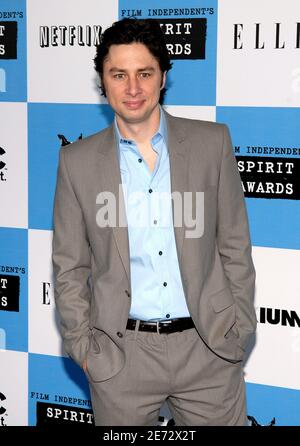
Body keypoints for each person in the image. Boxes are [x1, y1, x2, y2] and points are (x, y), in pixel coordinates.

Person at [52, 18, 256, 426]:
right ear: (102, 81)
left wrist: (240, 327)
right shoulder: (76, 163)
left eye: (144, 73)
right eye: (119, 75)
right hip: (120, 358)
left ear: (162, 77)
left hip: (208, 349)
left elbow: (234, 245)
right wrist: (85, 350)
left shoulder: (212, 143)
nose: (132, 88)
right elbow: (69, 268)